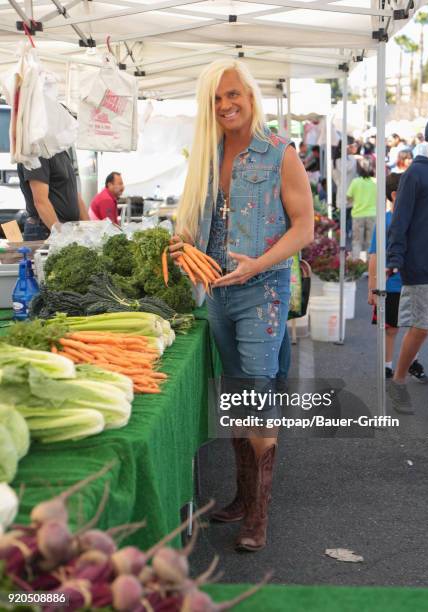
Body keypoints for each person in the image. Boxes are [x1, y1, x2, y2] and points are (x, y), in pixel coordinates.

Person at [169, 59, 314, 551]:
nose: (226, 104)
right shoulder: (207, 155)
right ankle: (241, 495)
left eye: (234, 94)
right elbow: (198, 219)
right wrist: (182, 243)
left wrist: (257, 265)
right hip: (216, 294)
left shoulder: (279, 153)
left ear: (251, 97)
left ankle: (258, 516)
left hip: (262, 293)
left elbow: (304, 227)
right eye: (216, 98)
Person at [386, 112, 428, 416]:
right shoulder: (417, 174)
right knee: (421, 329)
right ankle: (397, 381)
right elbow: (401, 219)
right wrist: (394, 257)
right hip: (421, 265)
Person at [367, 172, 428, 381]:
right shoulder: (384, 222)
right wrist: (372, 287)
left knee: (415, 326)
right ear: (394, 195)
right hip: (390, 286)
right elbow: (374, 256)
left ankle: (412, 362)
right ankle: (387, 366)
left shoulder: (416, 219)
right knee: (391, 329)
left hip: (414, 282)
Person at [17, 150, 89, 241]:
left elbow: (74, 193)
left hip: (66, 229)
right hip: (46, 230)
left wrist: (88, 227)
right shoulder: (37, 151)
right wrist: (62, 236)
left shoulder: (61, 151)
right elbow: (40, 201)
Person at [347, 158, 377, 260]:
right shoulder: (375, 182)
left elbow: (349, 197)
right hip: (373, 214)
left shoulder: (355, 182)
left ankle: (355, 263)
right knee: (371, 242)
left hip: (358, 214)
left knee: (357, 241)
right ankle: (370, 264)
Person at [332, 137, 359, 250]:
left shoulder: (349, 159)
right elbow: (344, 171)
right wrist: (354, 158)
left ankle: (347, 239)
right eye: (352, 145)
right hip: (344, 192)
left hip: (351, 192)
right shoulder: (339, 161)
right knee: (345, 219)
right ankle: (344, 242)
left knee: (349, 219)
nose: (355, 147)